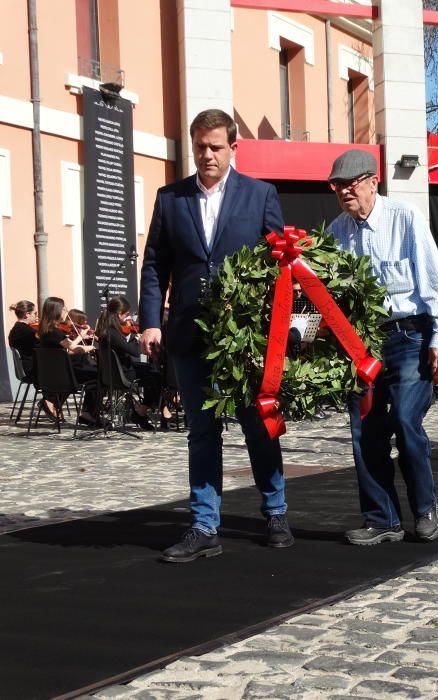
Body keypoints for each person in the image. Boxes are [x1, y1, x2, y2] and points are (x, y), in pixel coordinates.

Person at [138, 108, 293, 563]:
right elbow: (154, 265)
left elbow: (279, 266)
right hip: (189, 336)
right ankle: (205, 525)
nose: (207, 155)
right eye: (200, 147)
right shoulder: (171, 199)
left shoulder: (260, 195)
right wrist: (151, 319)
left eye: (215, 147)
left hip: (245, 339)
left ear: (233, 148)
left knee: (258, 426)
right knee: (201, 433)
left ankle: (275, 511)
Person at [326, 149, 438, 546]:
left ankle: (424, 508)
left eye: (351, 184)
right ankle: (382, 519)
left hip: (409, 335)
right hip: (361, 343)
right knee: (365, 429)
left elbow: (435, 281)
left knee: (403, 418)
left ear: (372, 181)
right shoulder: (336, 232)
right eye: (337, 186)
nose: (345, 192)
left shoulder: (405, 217)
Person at [96, 295, 162, 431]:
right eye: (126, 314)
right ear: (119, 314)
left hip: (118, 371)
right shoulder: (111, 333)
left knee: (151, 370)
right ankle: (140, 413)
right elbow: (135, 352)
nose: (128, 318)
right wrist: (137, 340)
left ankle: (141, 412)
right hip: (122, 374)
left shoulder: (106, 331)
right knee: (157, 377)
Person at [36, 296, 98, 424]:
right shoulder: (55, 332)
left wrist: (80, 337)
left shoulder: (46, 331)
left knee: (91, 372)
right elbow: (73, 350)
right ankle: (87, 413)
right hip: (64, 375)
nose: (66, 312)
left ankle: (53, 401)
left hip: (56, 372)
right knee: (99, 377)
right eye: (64, 309)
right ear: (57, 311)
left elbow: (69, 348)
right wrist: (90, 346)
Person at [8, 300, 38, 380]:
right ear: (27, 314)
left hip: (24, 370)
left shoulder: (15, 329)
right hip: (31, 371)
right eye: (35, 313)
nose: (37, 316)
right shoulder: (27, 331)